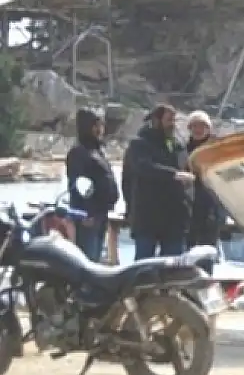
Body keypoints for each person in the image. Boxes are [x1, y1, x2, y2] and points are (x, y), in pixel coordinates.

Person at [122, 104, 194, 260]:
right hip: (147, 217)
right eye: (169, 120)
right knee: (144, 267)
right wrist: (174, 175)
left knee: (174, 268)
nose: (173, 124)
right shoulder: (139, 144)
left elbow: (187, 172)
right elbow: (143, 168)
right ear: (156, 120)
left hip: (175, 219)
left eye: (174, 120)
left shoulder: (178, 145)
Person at [65, 108, 120, 262]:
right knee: (87, 259)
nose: (100, 130)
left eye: (101, 125)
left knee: (96, 259)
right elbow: (77, 185)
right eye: (95, 125)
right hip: (87, 215)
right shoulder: (78, 152)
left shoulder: (97, 150)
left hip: (102, 212)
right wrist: (85, 212)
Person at [185, 110, 223, 274]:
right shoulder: (183, 149)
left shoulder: (217, 149)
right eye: (194, 126)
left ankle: (206, 284)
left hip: (212, 205)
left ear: (208, 128)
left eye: (202, 126)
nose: (198, 129)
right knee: (189, 252)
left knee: (207, 252)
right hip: (189, 207)